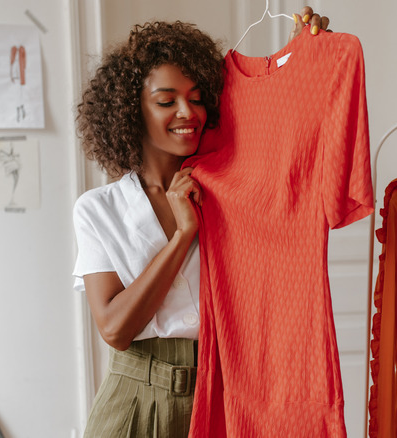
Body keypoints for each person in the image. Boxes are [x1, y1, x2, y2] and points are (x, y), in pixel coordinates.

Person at [74, 8, 330, 437]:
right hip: (137, 397)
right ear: (130, 109)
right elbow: (115, 329)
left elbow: (287, 141)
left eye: (196, 98)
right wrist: (183, 234)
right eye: (165, 100)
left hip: (225, 392)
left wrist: (305, 53)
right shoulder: (99, 209)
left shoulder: (231, 193)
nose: (186, 112)